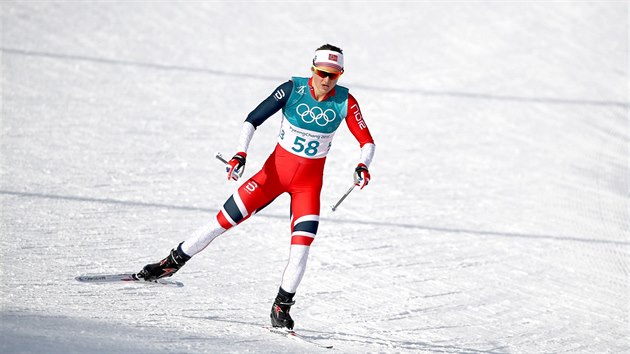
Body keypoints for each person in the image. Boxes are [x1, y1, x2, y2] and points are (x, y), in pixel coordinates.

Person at [138, 44, 376, 330]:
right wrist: (241, 153)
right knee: (220, 223)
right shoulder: (292, 90)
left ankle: (282, 307)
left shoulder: (346, 102)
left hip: (307, 188)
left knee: (301, 250)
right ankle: (171, 262)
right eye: (322, 73)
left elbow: (367, 142)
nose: (327, 80)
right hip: (270, 178)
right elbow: (252, 120)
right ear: (312, 69)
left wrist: (363, 165)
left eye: (334, 75)